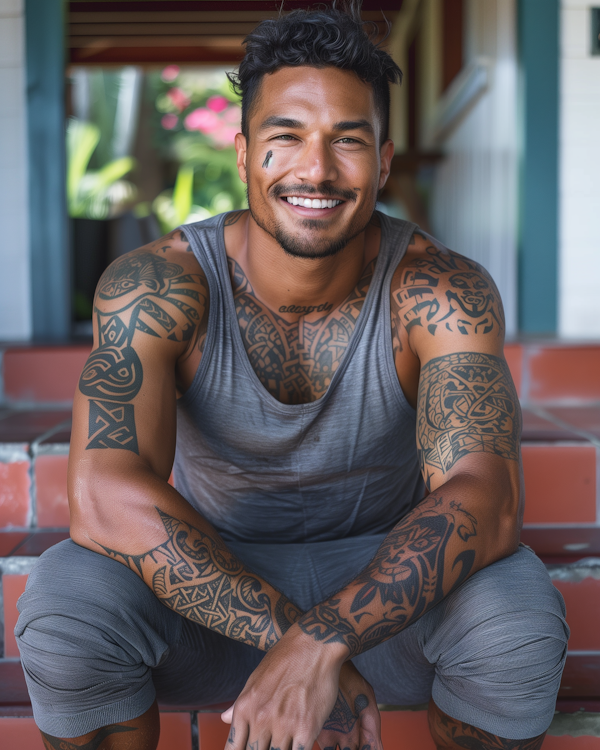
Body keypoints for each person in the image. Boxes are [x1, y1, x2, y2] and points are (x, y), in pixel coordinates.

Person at [16, 3, 568, 749]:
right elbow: (102, 495)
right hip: (212, 596)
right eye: (287, 138)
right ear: (244, 155)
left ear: (384, 159)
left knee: (517, 612)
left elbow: (487, 498)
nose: (316, 169)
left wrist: (328, 640)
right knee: (67, 599)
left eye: (348, 140)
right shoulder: (159, 287)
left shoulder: (441, 292)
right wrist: (296, 641)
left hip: (388, 604)